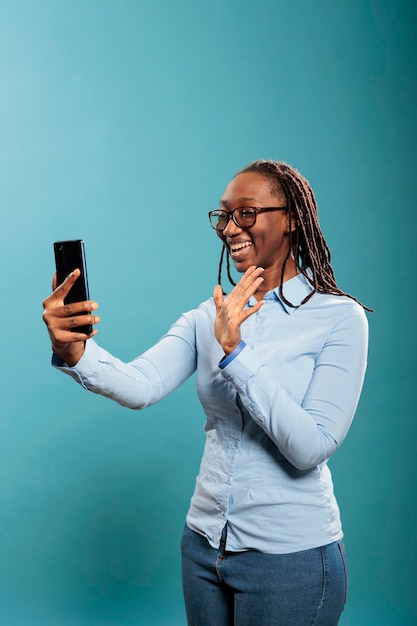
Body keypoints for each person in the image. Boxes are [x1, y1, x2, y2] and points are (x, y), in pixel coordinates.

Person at [42, 160, 370, 626]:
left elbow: (310, 447)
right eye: (224, 216)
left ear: (292, 217)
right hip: (202, 549)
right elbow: (141, 385)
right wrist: (73, 350)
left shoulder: (340, 319)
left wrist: (235, 352)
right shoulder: (206, 318)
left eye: (247, 213)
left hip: (289, 558)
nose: (230, 227)